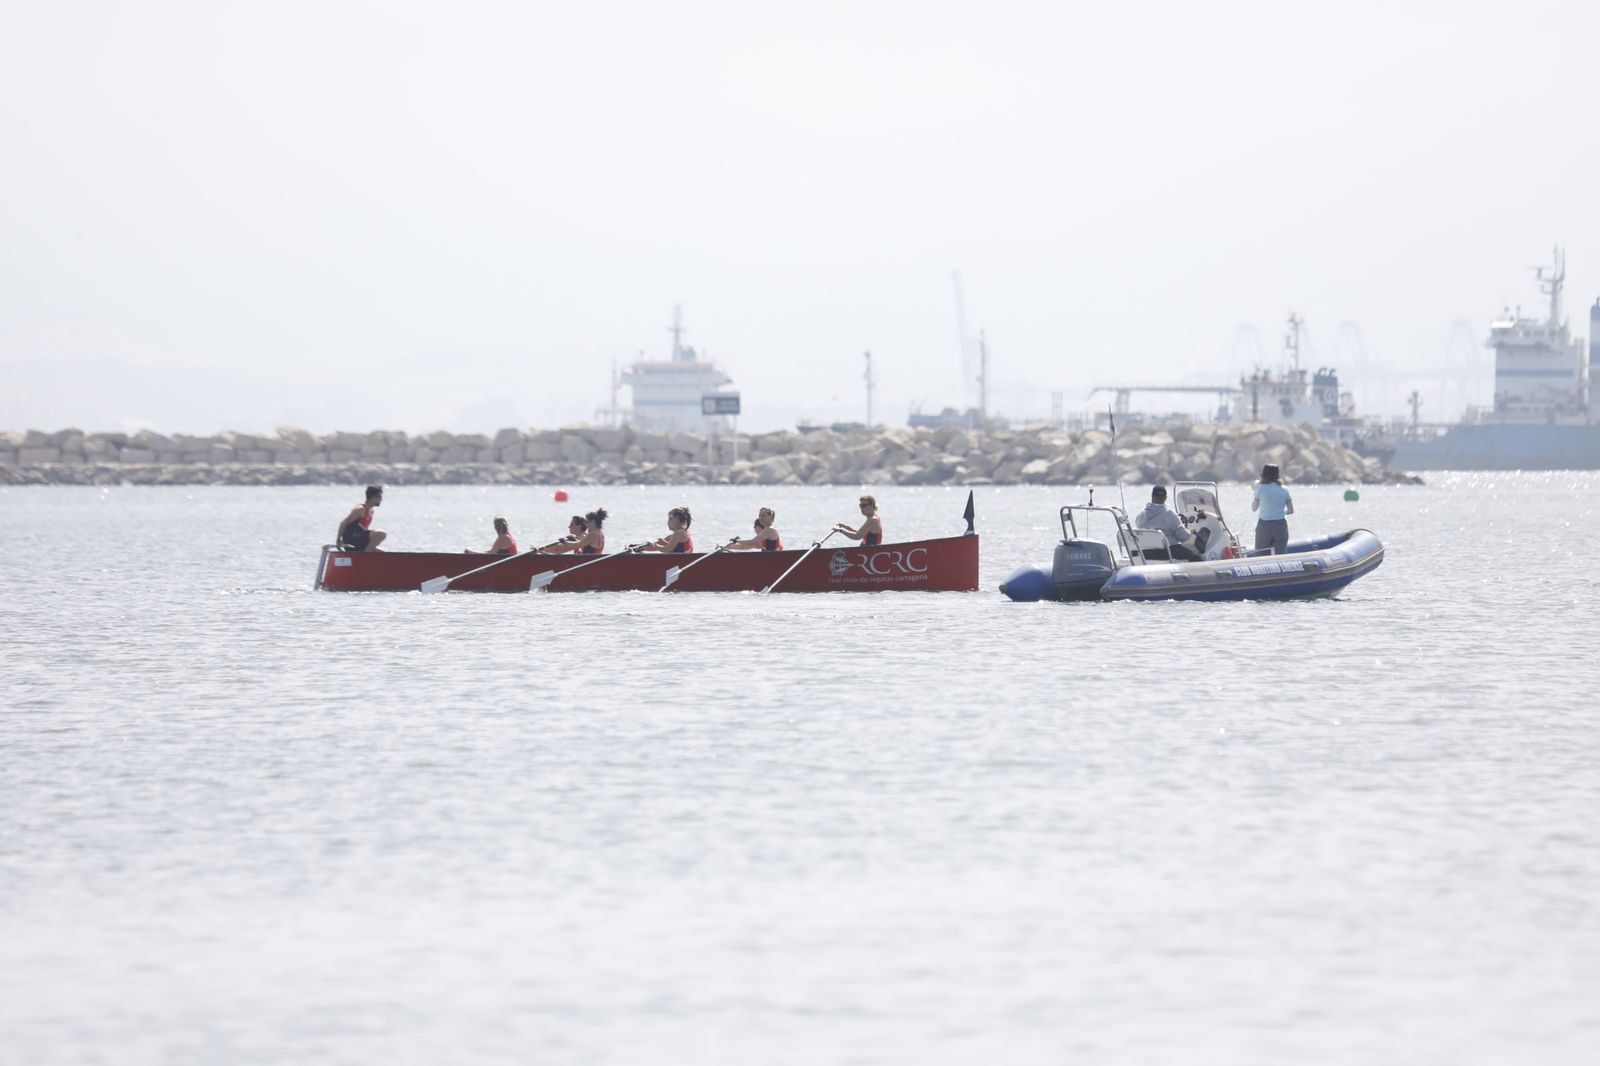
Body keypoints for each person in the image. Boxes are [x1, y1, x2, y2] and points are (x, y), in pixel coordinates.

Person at [1133, 485, 1203, 562]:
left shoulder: (1140, 516)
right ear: (1165, 498)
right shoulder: (1170, 514)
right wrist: (1190, 531)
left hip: (1146, 553)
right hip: (1166, 553)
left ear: (1152, 496)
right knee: (1197, 558)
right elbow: (1184, 537)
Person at [1252, 463, 1295, 555]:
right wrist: (1280, 512)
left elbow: (1254, 508)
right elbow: (1291, 510)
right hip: (1280, 525)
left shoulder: (1260, 488)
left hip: (1264, 526)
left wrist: (1255, 493)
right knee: (1281, 555)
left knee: (1261, 555)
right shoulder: (1285, 489)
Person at [336, 485, 386, 552]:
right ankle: (365, 555)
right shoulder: (361, 509)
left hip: (359, 538)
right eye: (380, 497)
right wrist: (338, 540)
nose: (381, 499)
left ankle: (365, 555)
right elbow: (343, 523)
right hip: (351, 540)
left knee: (383, 553)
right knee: (381, 534)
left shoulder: (371, 511)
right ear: (373, 497)